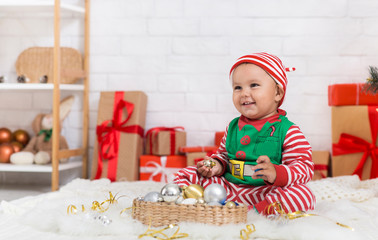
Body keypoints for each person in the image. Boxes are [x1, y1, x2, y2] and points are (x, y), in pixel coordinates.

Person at [174, 52, 316, 215]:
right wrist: (215, 166)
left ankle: (255, 213)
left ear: (278, 93)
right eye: (238, 87)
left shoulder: (288, 130)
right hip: (229, 188)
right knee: (186, 174)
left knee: (303, 194)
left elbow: (304, 167)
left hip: (265, 192)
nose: (244, 93)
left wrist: (277, 173)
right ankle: (198, 204)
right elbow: (224, 155)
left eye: (254, 85)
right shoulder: (233, 126)